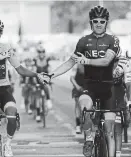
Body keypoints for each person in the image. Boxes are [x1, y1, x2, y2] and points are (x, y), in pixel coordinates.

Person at [44, 6, 120, 157]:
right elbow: (69, 63)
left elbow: (106, 61)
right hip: (89, 86)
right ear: (91, 22)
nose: (99, 24)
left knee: (110, 131)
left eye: (102, 21)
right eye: (95, 21)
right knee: (84, 107)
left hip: (108, 87)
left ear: (106, 22)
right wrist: (51, 75)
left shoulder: (112, 40)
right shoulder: (84, 41)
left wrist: (87, 60)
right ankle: (89, 138)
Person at [0, 17, 45, 157]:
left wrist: (37, 74)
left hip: (4, 90)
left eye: (1, 31)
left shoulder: (6, 48)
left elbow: (20, 69)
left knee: (11, 114)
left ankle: (7, 144)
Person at [113, 49, 131, 157]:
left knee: (119, 124)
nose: (113, 63)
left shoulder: (124, 62)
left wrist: (129, 101)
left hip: (119, 89)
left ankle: (117, 153)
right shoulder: (100, 61)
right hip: (104, 88)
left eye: (116, 60)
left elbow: (129, 85)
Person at [33, 45, 53, 113]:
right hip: (37, 78)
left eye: (43, 52)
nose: (41, 53)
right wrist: (34, 82)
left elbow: (50, 70)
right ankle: (38, 113)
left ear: (44, 52)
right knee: (37, 96)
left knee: (46, 86)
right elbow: (34, 71)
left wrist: (50, 80)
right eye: (39, 52)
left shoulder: (47, 59)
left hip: (45, 78)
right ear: (38, 53)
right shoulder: (35, 60)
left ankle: (48, 99)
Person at [70, 64, 84, 134]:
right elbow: (72, 78)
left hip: (88, 86)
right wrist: (77, 86)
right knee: (78, 104)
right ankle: (78, 124)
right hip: (78, 86)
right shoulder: (76, 65)